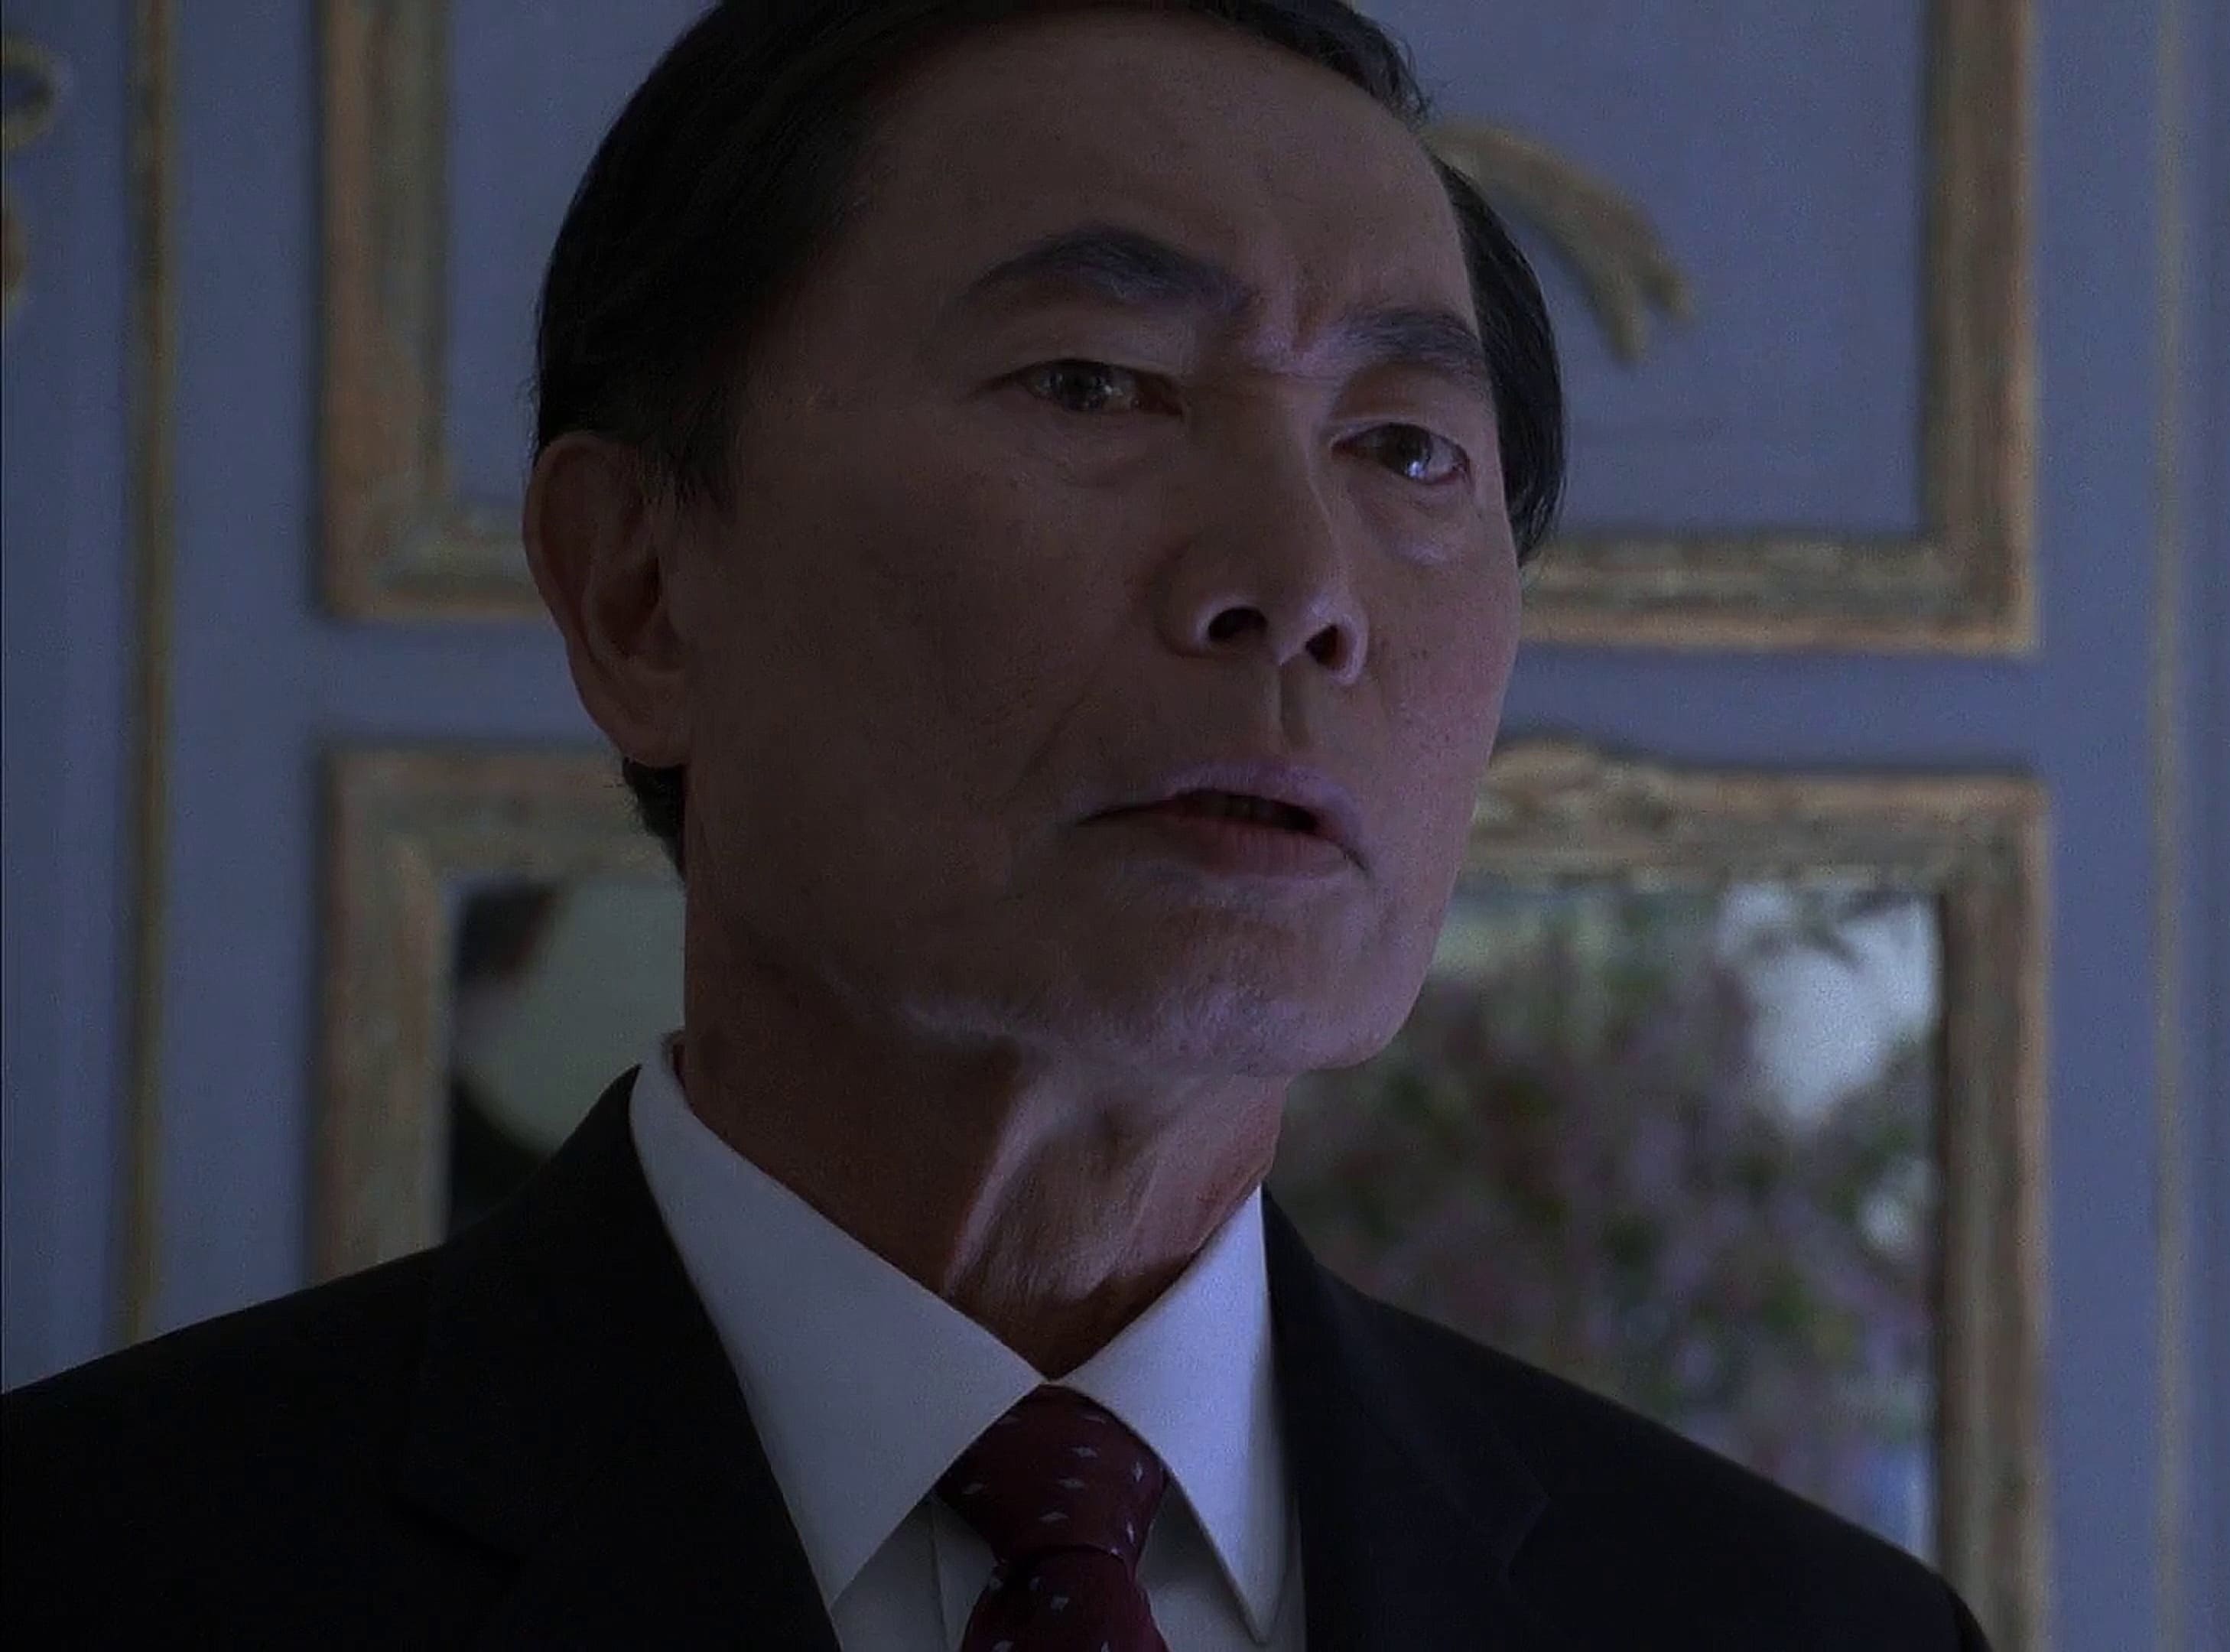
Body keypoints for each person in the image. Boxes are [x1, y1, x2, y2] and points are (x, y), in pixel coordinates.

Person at [1, 3, 1996, 1647]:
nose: (1299, 584)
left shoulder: (1800, 1628)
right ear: (641, 592)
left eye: (1404, 446)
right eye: (1096, 385)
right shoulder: (98, 1571)